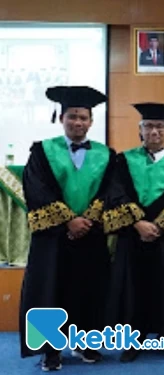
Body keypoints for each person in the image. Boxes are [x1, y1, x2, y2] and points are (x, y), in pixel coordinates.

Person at [19, 86, 115, 371]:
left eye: (84, 118)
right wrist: (68, 221)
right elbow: (36, 189)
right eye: (72, 116)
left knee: (88, 288)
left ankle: (86, 343)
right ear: (61, 118)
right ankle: (50, 350)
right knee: (49, 289)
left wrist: (87, 221)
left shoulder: (106, 154)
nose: (78, 123)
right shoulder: (42, 151)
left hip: (90, 234)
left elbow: (111, 191)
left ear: (91, 122)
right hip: (53, 237)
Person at [104, 102, 164, 363]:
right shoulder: (123, 161)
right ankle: (133, 341)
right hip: (133, 237)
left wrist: (158, 225)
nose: (154, 131)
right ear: (140, 130)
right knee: (132, 286)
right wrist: (138, 224)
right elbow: (116, 194)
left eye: (160, 126)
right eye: (148, 126)